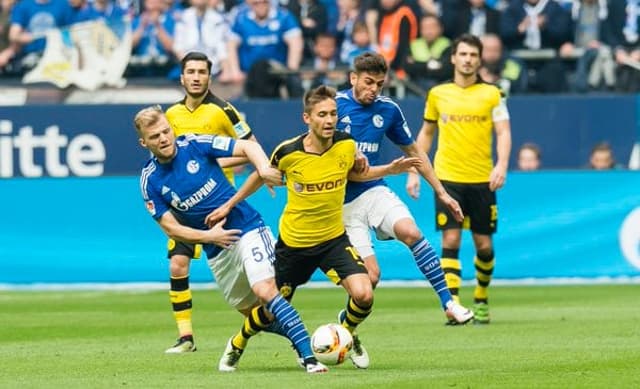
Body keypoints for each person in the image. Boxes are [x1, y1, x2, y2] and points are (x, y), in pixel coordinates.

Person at [211, 85, 423, 369]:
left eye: (333, 114)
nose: (329, 120)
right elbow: (262, 176)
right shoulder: (288, 152)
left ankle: (346, 333)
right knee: (271, 313)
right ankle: (238, 341)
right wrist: (228, 205)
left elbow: (356, 174)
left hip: (333, 240)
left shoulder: (346, 145)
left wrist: (389, 170)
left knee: (364, 293)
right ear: (307, 118)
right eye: (322, 114)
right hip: (294, 246)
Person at [134, 105, 329, 374]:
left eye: (166, 131)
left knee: (265, 290)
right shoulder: (150, 181)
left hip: (247, 228)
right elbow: (171, 229)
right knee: (257, 315)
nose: (164, 139)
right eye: (155, 137)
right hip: (217, 249)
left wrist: (263, 168)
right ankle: (244, 341)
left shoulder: (195, 144)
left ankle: (308, 357)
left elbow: (248, 147)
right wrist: (208, 236)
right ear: (144, 142)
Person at [336, 51, 475, 326]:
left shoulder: (388, 109)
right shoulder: (334, 108)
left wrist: (441, 192)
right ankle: (346, 328)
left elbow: (415, 152)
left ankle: (449, 303)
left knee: (411, 231)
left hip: (373, 190)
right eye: (367, 82)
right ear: (353, 78)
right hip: (340, 203)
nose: (373, 89)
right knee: (370, 279)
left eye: (379, 84)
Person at [407, 34, 512, 325]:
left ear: (480, 59)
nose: (467, 59)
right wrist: (414, 170)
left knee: (484, 246)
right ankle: (453, 306)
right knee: (450, 238)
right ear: (453, 58)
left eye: (473, 55)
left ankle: (481, 296)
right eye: (462, 54)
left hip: (481, 180)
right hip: (447, 178)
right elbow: (426, 134)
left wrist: (501, 165)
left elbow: (503, 132)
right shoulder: (438, 94)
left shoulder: (493, 94)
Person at [162, 51, 257, 354]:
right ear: (182, 77)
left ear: (209, 76)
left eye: (201, 72)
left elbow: (251, 146)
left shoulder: (224, 111)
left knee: (245, 280)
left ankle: (269, 317)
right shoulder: (171, 116)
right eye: (190, 71)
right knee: (178, 265)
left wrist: (259, 171)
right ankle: (185, 337)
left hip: (220, 206)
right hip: (184, 208)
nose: (196, 77)